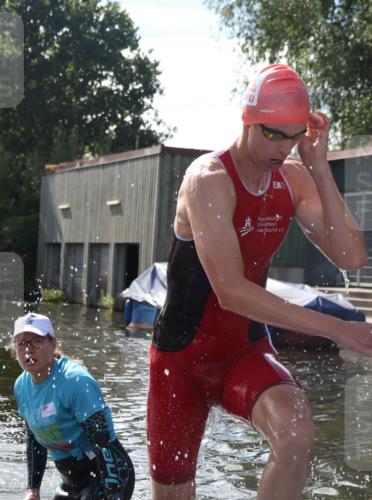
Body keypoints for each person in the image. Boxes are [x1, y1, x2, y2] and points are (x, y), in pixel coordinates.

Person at [147, 63, 372, 500]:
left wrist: (320, 167)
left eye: (292, 136)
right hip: (182, 362)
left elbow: (351, 255)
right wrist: (338, 328)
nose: (282, 147)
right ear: (247, 119)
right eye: (272, 133)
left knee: (296, 433)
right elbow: (230, 290)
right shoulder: (209, 180)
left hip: (244, 349)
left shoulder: (292, 177)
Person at [11, 312, 135, 499]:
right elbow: (35, 440)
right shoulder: (21, 387)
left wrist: (112, 493)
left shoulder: (75, 381)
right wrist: (33, 490)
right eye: (22, 343)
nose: (28, 350)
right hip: (71, 484)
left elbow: (102, 443)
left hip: (108, 476)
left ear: (52, 344)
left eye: (36, 341)